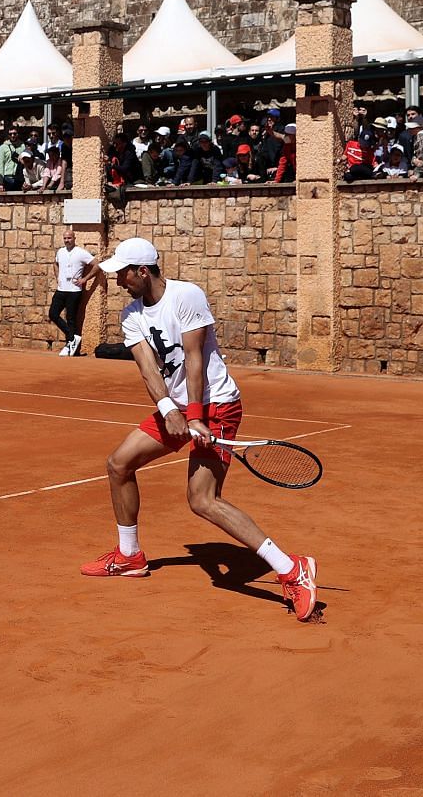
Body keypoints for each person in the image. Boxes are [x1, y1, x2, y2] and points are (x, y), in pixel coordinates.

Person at [80, 237, 319, 622]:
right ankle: (129, 556)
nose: (119, 280)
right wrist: (168, 409)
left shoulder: (186, 296)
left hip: (217, 404)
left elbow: (194, 357)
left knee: (202, 500)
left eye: (123, 273)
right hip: (176, 407)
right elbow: (147, 367)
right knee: (119, 463)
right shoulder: (130, 314)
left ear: (142, 271)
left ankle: (292, 569)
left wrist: (194, 416)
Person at [49, 228, 95, 356]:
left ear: (74, 238)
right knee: (53, 314)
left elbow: (96, 265)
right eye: (65, 238)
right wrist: (58, 276)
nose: (67, 240)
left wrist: (84, 279)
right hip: (61, 289)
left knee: (71, 319)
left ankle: (72, 348)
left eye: (69, 238)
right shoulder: (60, 252)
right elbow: (55, 264)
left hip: (74, 291)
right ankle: (72, 337)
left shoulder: (81, 253)